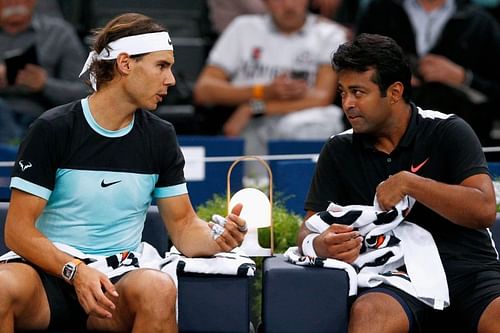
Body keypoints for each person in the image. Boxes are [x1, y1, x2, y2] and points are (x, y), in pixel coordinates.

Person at [0, 12, 247, 333]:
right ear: (126, 64)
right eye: (162, 65)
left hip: (115, 284)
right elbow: (18, 231)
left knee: (158, 288)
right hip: (49, 275)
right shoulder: (52, 128)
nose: (171, 80)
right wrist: (75, 270)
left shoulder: (160, 136)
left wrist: (217, 240)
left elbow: (184, 225)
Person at [297, 33, 500, 332]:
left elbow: (483, 209)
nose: (347, 104)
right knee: (370, 314)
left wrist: (412, 184)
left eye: (358, 92)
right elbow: (309, 226)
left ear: (393, 92)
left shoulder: (448, 130)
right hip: (394, 275)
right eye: (342, 92)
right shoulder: (337, 149)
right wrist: (319, 244)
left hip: (470, 270)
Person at [194, 0, 347, 179]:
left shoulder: (329, 34)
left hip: (300, 122)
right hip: (251, 128)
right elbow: (203, 90)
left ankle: (307, 186)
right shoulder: (244, 28)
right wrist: (262, 91)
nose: (289, 6)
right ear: (265, 2)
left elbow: (322, 97)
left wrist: (254, 107)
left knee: (317, 120)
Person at [356, 0, 500, 146]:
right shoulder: (379, 12)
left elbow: (495, 90)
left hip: (458, 138)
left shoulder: (480, 22)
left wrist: (463, 78)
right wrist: (390, 74)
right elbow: (355, 71)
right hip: (383, 138)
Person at [0, 0, 88, 138]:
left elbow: (84, 93)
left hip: (41, 117)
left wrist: (44, 84)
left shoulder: (59, 33)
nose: (14, 2)